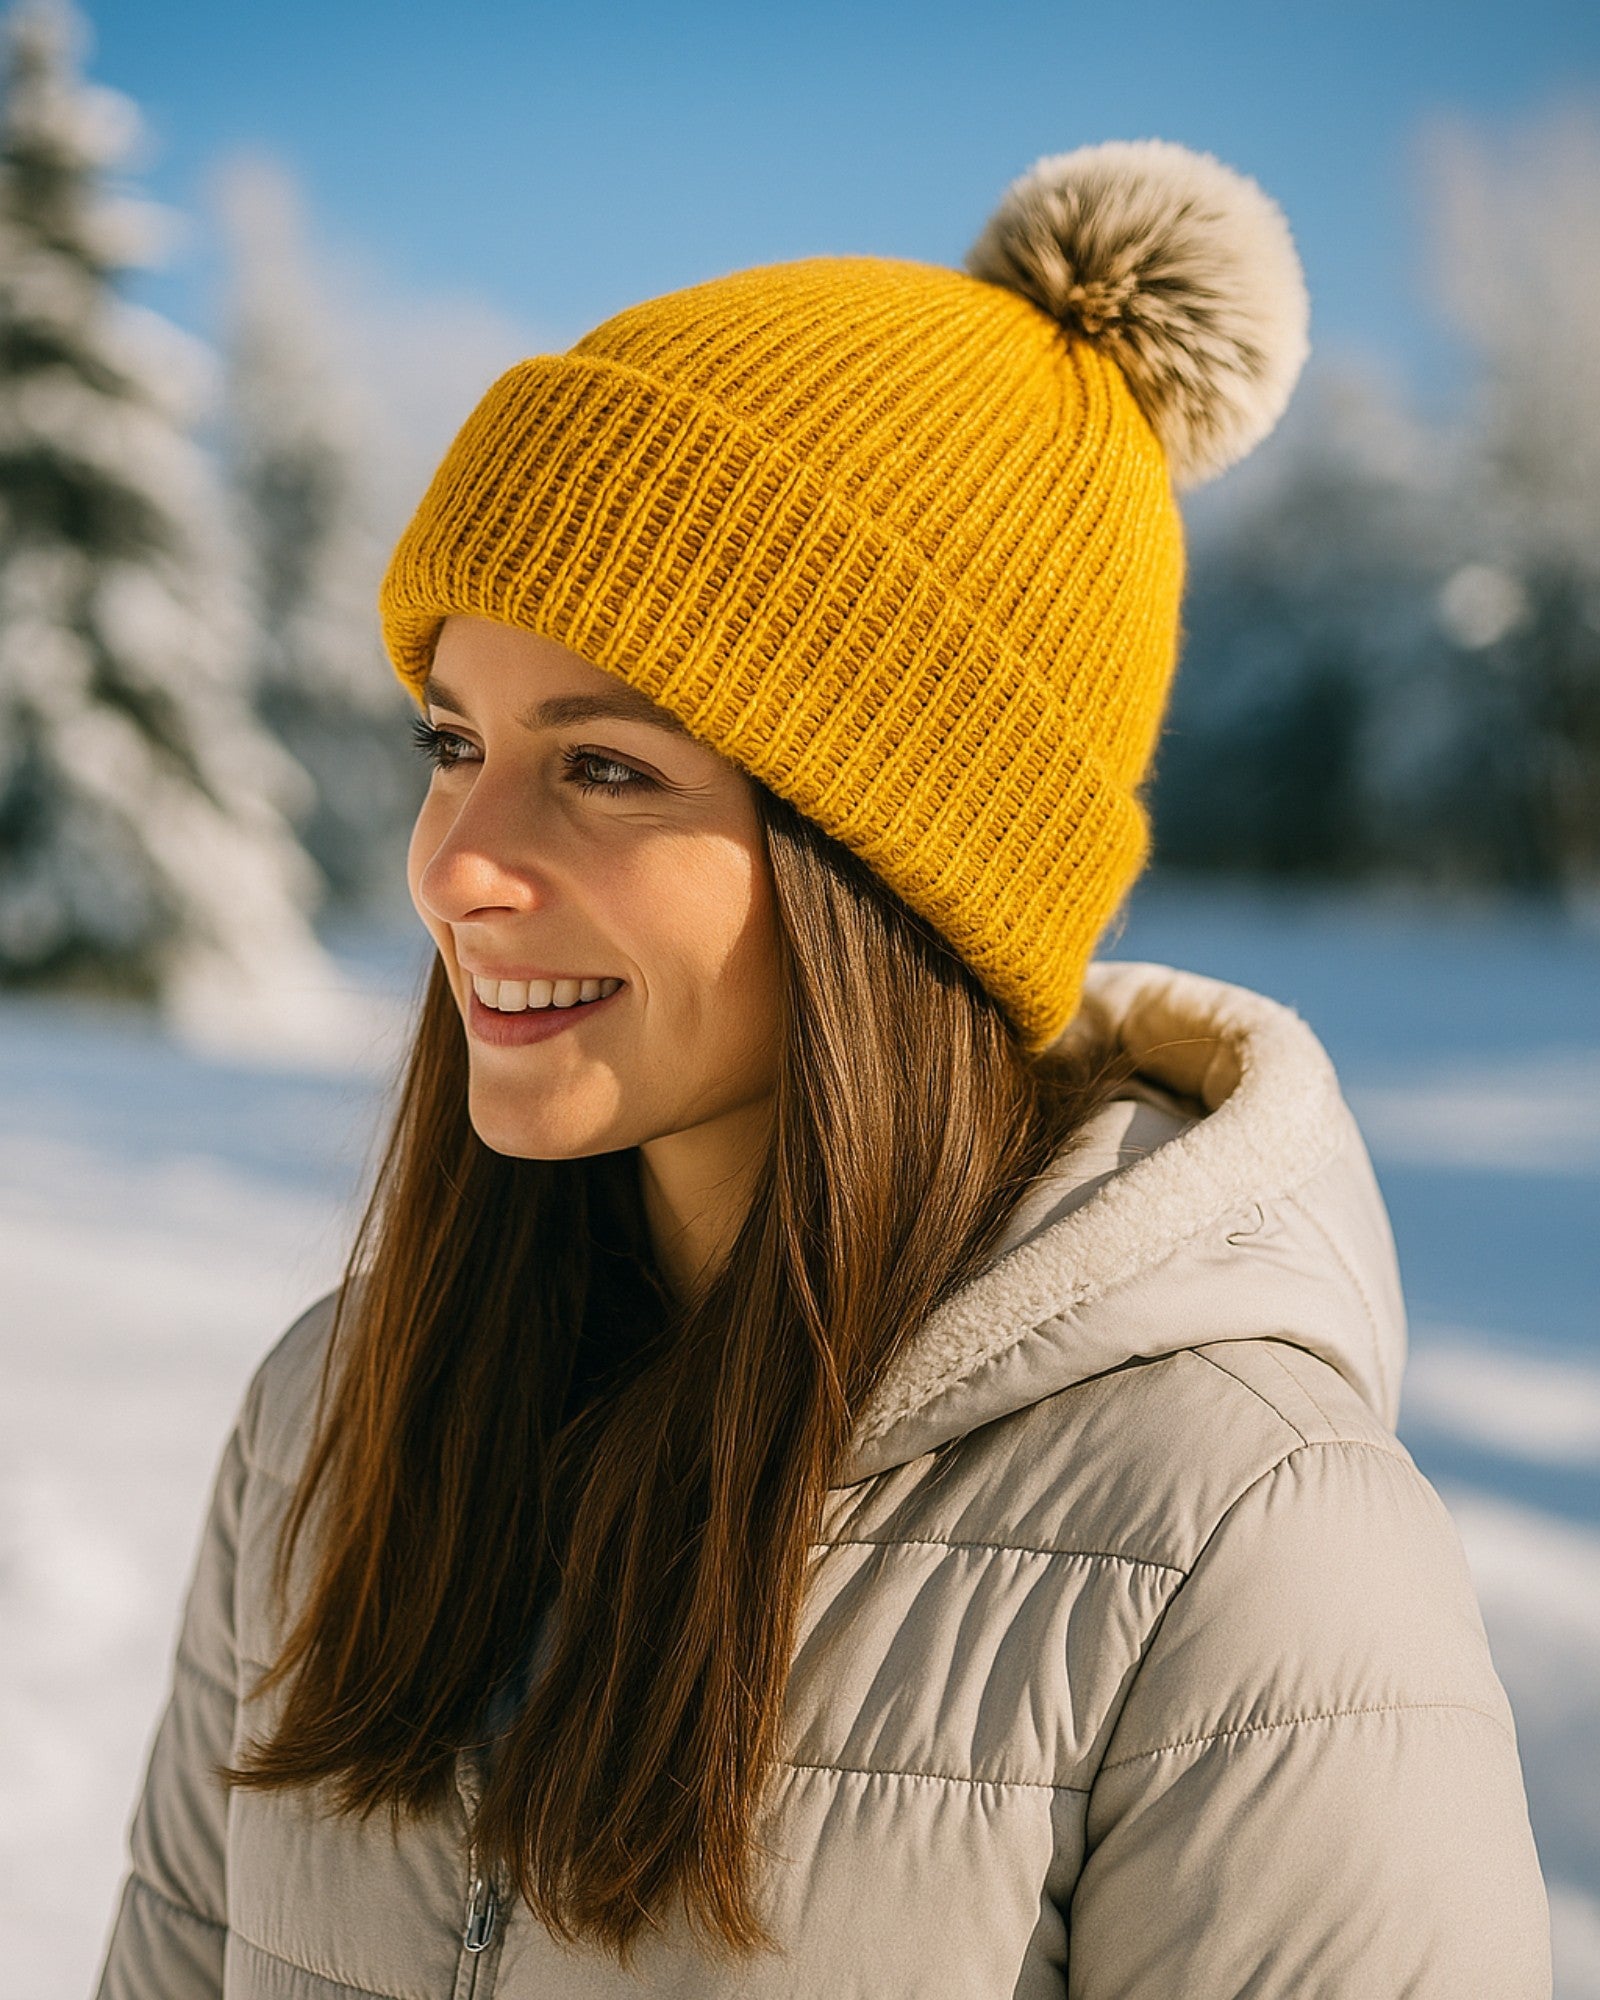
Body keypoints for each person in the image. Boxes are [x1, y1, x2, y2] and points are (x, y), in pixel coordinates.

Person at [94, 138, 1552, 1999]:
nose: (454, 861)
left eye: (604, 765)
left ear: (891, 869)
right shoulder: (331, 1419)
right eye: (449, 740)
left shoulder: (1240, 1542)